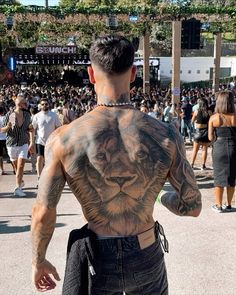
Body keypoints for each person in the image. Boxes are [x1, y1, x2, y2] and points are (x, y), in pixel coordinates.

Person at [31, 35, 202, 294]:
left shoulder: (65, 139)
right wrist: (158, 198)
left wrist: (38, 260)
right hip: (146, 252)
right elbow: (192, 206)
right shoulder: (165, 135)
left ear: (90, 73)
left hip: (98, 256)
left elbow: (44, 211)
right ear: (133, 73)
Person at [208, 90, 236, 213]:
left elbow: (210, 138)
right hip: (234, 147)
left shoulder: (214, 118)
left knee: (218, 177)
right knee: (232, 176)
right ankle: (229, 205)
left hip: (219, 147)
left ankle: (218, 205)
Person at [2, 94, 34, 197]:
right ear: (19, 104)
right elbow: (3, 130)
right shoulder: (11, 115)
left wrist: (32, 142)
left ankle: (18, 188)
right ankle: (20, 180)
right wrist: (7, 127)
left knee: (20, 166)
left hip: (23, 143)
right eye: (25, 103)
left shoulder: (27, 115)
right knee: (16, 168)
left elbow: (30, 129)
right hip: (11, 144)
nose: (26, 104)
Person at [32, 98, 61, 181]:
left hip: (51, 141)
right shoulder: (36, 116)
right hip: (40, 141)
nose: (44, 105)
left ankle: (49, 178)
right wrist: (31, 141)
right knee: (39, 158)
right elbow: (33, 128)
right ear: (40, 106)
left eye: (46, 104)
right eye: (43, 104)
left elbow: (58, 127)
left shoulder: (54, 115)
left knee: (51, 160)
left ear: (49, 105)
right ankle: (39, 178)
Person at [191, 98, 212, 170]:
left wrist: (197, 121)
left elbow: (192, 121)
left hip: (198, 132)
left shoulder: (196, 111)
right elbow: (211, 121)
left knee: (195, 149)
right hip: (206, 131)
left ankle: (192, 164)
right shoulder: (209, 112)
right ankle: (203, 165)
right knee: (204, 149)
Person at [0, 106, 7, 175]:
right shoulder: (5, 118)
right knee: (11, 156)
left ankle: (2, 170)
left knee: (0, 156)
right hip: (6, 138)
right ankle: (15, 169)